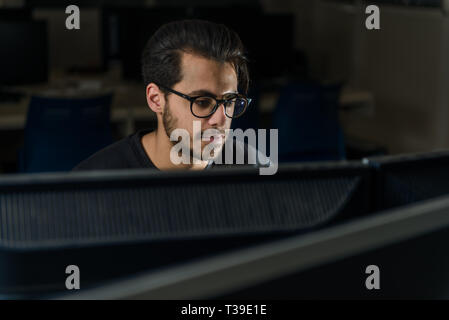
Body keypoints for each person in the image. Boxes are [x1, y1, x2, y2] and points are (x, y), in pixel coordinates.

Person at [73, 19, 262, 172]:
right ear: (156, 99)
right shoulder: (94, 185)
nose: (221, 119)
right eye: (203, 102)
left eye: (229, 102)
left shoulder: (255, 171)